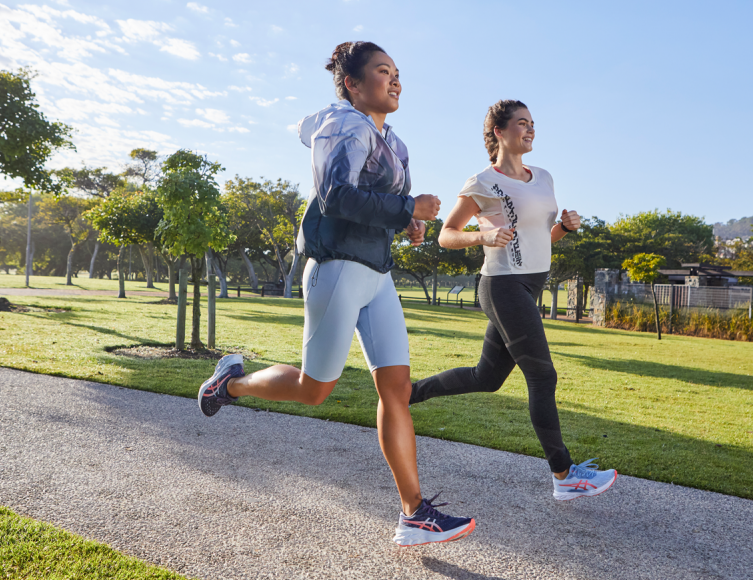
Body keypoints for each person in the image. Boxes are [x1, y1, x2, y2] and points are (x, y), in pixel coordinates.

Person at [198, 41, 475, 547]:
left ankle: (414, 513)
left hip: (377, 274)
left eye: (397, 74)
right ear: (351, 83)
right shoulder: (343, 125)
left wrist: (408, 222)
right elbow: (336, 196)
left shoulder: (396, 142)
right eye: (382, 72)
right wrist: (406, 207)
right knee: (314, 389)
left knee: (396, 389)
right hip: (338, 269)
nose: (394, 81)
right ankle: (231, 382)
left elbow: (387, 206)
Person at [409, 99, 617, 501]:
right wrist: (482, 236)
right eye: (522, 123)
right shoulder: (483, 182)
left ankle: (407, 394)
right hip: (502, 285)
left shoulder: (544, 177)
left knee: (486, 378)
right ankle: (564, 475)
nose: (530, 129)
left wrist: (564, 228)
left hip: (528, 285)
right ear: (500, 132)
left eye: (533, 123)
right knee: (542, 376)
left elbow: (538, 239)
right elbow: (446, 234)